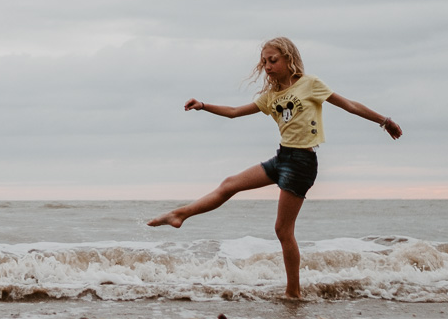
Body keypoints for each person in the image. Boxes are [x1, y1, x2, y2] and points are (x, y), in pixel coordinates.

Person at [147, 36, 402, 300]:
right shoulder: (271, 97)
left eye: (273, 60)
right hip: (282, 158)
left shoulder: (310, 84)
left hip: (302, 163)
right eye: (264, 62)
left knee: (282, 230)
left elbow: (350, 105)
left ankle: (293, 291)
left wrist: (384, 121)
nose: (267, 66)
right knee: (229, 184)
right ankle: (180, 215)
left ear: (289, 60)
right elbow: (234, 111)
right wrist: (204, 106)